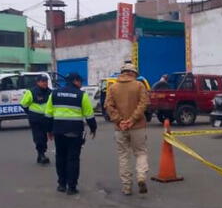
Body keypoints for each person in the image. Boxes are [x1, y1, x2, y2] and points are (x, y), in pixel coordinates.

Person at [45, 72, 97, 195]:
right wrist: (93, 128)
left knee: (60, 157)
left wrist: (49, 130)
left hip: (58, 131)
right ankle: (72, 187)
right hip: (74, 131)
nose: (81, 84)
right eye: (80, 81)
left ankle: (61, 184)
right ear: (75, 81)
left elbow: (48, 114)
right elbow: (89, 114)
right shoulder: (81, 95)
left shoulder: (54, 93)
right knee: (73, 159)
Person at [104, 63, 151, 196]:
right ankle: (141, 177)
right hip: (138, 127)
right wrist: (132, 119)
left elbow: (108, 106)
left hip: (120, 128)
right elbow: (144, 104)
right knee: (140, 152)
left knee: (123, 156)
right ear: (133, 73)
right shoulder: (139, 86)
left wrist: (120, 121)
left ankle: (127, 187)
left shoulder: (113, 88)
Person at [20, 75, 52, 164]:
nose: (45, 83)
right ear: (38, 82)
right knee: (39, 137)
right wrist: (30, 113)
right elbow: (23, 104)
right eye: (42, 81)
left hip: (46, 118)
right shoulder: (31, 92)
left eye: (46, 81)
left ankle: (41, 154)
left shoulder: (50, 92)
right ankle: (41, 155)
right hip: (36, 119)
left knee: (44, 138)